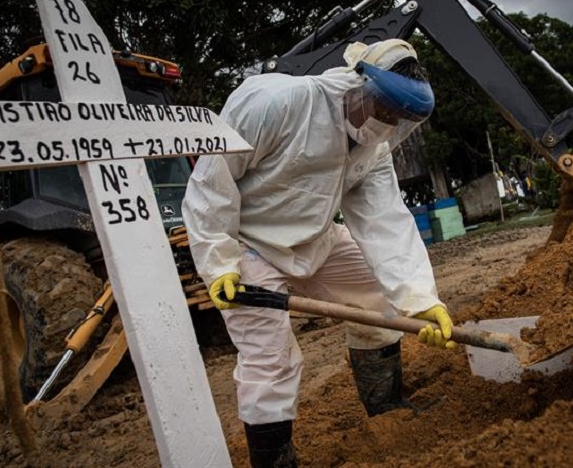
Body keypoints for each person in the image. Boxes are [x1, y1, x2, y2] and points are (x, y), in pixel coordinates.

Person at [182, 39, 456, 467]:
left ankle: (386, 411)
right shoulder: (275, 102)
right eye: (383, 111)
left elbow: (385, 222)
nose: (386, 124)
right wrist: (218, 263)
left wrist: (420, 299)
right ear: (358, 84)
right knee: (270, 356)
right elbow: (210, 184)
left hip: (317, 240)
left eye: (396, 119)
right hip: (249, 245)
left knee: (380, 296)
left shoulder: (373, 148)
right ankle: (274, 461)